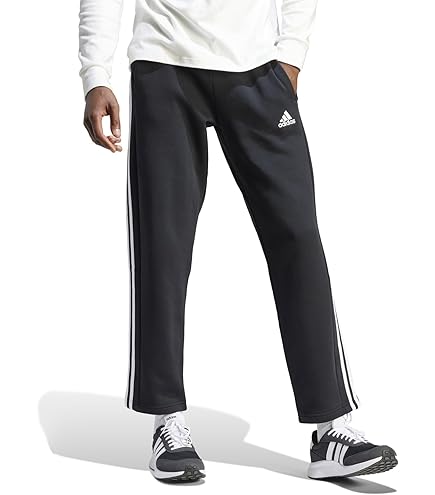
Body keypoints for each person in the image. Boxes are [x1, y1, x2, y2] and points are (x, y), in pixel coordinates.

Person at [78, 0, 397, 483]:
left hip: (258, 68)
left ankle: (331, 428)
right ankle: (168, 423)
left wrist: (291, 55)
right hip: (165, 65)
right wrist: (95, 74)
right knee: (162, 247)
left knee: (298, 238)